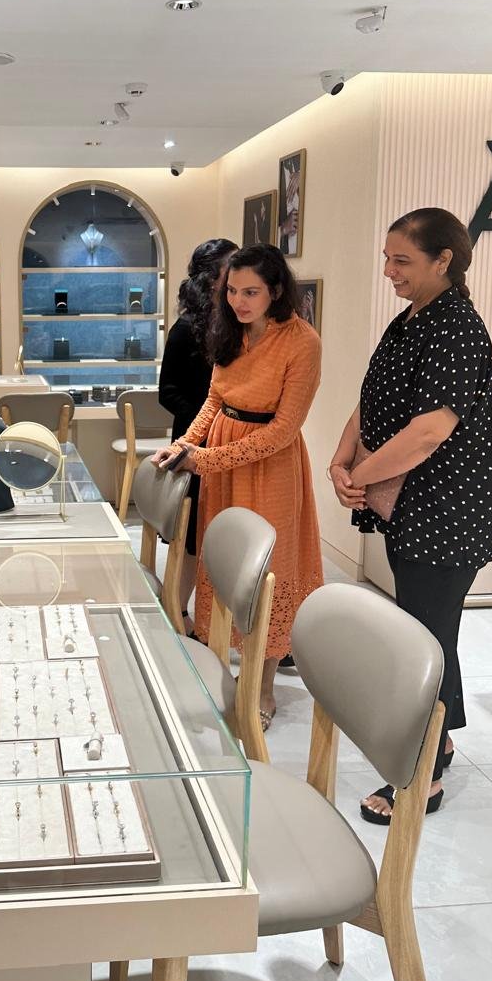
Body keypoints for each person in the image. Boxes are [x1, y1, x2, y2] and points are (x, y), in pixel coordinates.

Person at [329, 208, 492, 824]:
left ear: (444, 260)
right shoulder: (411, 318)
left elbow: (429, 431)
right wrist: (341, 459)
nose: (389, 271)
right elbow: (372, 397)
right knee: (430, 629)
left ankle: (422, 770)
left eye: (402, 260)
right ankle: (443, 740)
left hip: (449, 509)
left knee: (425, 639)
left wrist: (360, 476)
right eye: (387, 259)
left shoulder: (457, 327)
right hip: (415, 506)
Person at [152, 244, 323, 728]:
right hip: (224, 465)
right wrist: (185, 444)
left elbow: (283, 431)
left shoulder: (302, 341)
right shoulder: (229, 329)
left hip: (271, 467)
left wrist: (207, 459)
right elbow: (213, 399)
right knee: (223, 565)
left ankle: (262, 687)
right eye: (232, 291)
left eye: (251, 292)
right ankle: (220, 674)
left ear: (276, 291)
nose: (238, 301)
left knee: (268, 573)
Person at [158, 238, 238, 628]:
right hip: (196, 442)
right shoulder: (186, 328)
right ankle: (180, 612)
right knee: (191, 537)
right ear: (212, 278)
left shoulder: (235, 325)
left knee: (223, 537)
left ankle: (214, 621)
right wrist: (207, 424)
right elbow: (167, 392)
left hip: (227, 446)